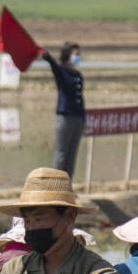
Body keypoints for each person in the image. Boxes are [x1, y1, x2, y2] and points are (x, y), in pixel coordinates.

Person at [41, 43, 85, 178]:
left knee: (72, 154)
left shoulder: (77, 74)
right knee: (62, 154)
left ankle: (67, 185)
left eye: (78, 54)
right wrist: (45, 54)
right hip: (65, 117)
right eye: (75, 54)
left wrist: (83, 117)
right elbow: (52, 63)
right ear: (68, 56)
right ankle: (56, 185)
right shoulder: (61, 71)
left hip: (77, 117)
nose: (78, 57)